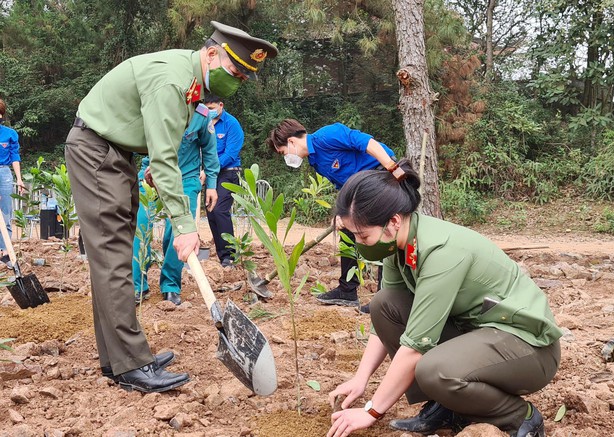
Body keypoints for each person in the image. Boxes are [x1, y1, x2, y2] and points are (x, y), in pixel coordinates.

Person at [64, 21, 277, 394]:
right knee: (114, 255)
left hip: (117, 153)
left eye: (244, 78)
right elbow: (165, 160)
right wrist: (185, 226)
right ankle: (132, 364)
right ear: (212, 54)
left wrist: (151, 172)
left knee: (112, 254)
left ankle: (117, 360)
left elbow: (160, 144)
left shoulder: (190, 82)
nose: (237, 81)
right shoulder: (173, 82)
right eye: (235, 71)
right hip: (98, 152)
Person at [326, 160, 561, 437]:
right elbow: (383, 320)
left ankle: (521, 417)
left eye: (362, 235)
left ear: (393, 221)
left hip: (528, 348)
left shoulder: (441, 252)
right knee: (384, 304)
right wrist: (360, 379)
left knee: (433, 369)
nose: (358, 243)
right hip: (479, 334)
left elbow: (416, 346)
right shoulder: (398, 244)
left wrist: (371, 411)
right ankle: (449, 405)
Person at [266, 119, 396, 309]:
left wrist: (392, 168)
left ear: (292, 142)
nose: (286, 158)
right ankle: (347, 291)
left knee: (383, 233)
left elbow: (367, 143)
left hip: (380, 175)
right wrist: (342, 212)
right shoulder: (316, 161)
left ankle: (383, 300)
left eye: (283, 153)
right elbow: (344, 186)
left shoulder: (327, 136)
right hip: (359, 187)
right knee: (346, 228)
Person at [132, 100, 220, 306]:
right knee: (140, 226)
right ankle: (137, 285)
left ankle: (170, 285)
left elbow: (209, 150)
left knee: (180, 233)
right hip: (152, 176)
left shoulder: (202, 115)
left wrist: (212, 185)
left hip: (186, 179)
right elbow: (134, 144)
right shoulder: (156, 106)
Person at [205, 95, 245, 267]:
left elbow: (230, 154)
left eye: (213, 107)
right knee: (211, 211)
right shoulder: (205, 122)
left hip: (228, 173)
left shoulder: (232, 124)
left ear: (221, 105)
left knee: (220, 209)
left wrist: (209, 170)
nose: (210, 111)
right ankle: (222, 255)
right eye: (206, 108)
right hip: (209, 173)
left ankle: (230, 255)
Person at [0, 98, 26, 264]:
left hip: (4, 173)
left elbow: (15, 157)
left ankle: (5, 253)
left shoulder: (10, 134)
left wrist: (19, 178)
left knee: (6, 213)